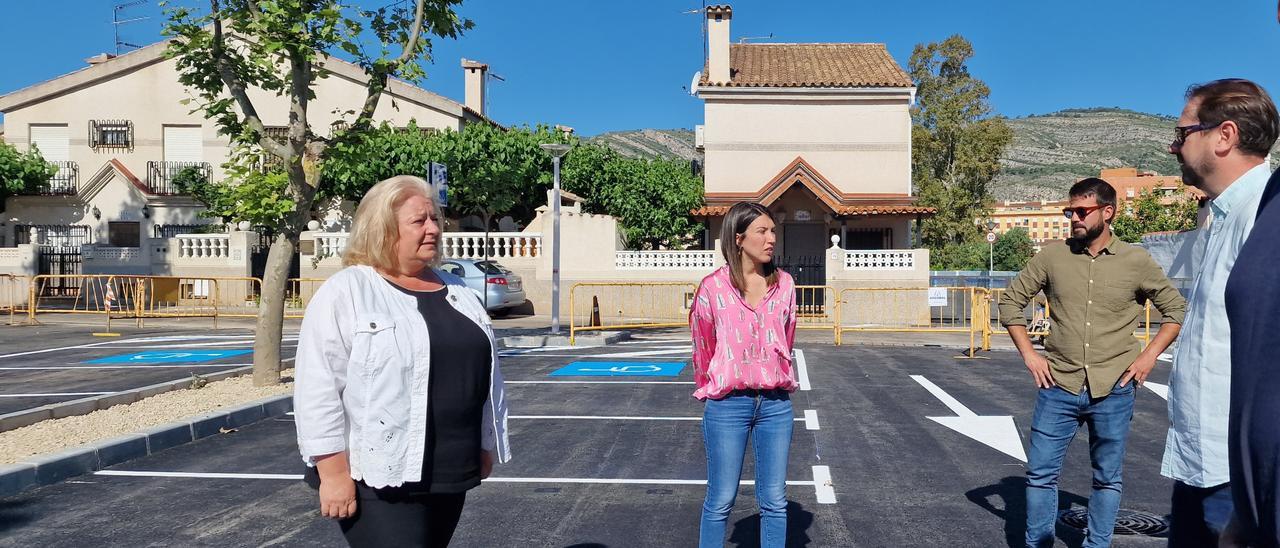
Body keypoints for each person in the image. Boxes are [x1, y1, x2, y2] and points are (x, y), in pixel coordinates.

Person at [293, 175, 511, 547]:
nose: (433, 229)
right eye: (418, 221)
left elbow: (485, 376)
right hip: (380, 475)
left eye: (434, 219)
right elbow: (318, 386)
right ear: (382, 229)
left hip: (449, 470)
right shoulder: (349, 290)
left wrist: (485, 443)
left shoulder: (457, 291)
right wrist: (332, 474)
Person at [999, 178, 1187, 548]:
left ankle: (1096, 545)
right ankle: (1039, 543)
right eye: (1070, 211)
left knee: (1107, 478)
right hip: (1058, 386)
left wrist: (1148, 356)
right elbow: (1009, 303)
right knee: (1039, 476)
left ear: (1107, 211)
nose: (1074, 218)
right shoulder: (1052, 257)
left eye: (1082, 211)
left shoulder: (1136, 261)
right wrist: (1030, 356)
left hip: (1114, 388)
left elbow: (1175, 308)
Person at [1159, 78, 1279, 548]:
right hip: (1203, 463)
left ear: (1224, 136)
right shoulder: (1226, 216)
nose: (1174, 145)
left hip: (1234, 478)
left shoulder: (1262, 214)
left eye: (1183, 132)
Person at [689, 201, 798, 548]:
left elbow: (787, 340)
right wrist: (715, 386)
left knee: (775, 503)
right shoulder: (712, 288)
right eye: (761, 231)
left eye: (773, 231)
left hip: (776, 406)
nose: (771, 239)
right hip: (727, 407)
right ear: (738, 238)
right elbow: (702, 347)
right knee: (720, 500)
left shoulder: (785, 285)